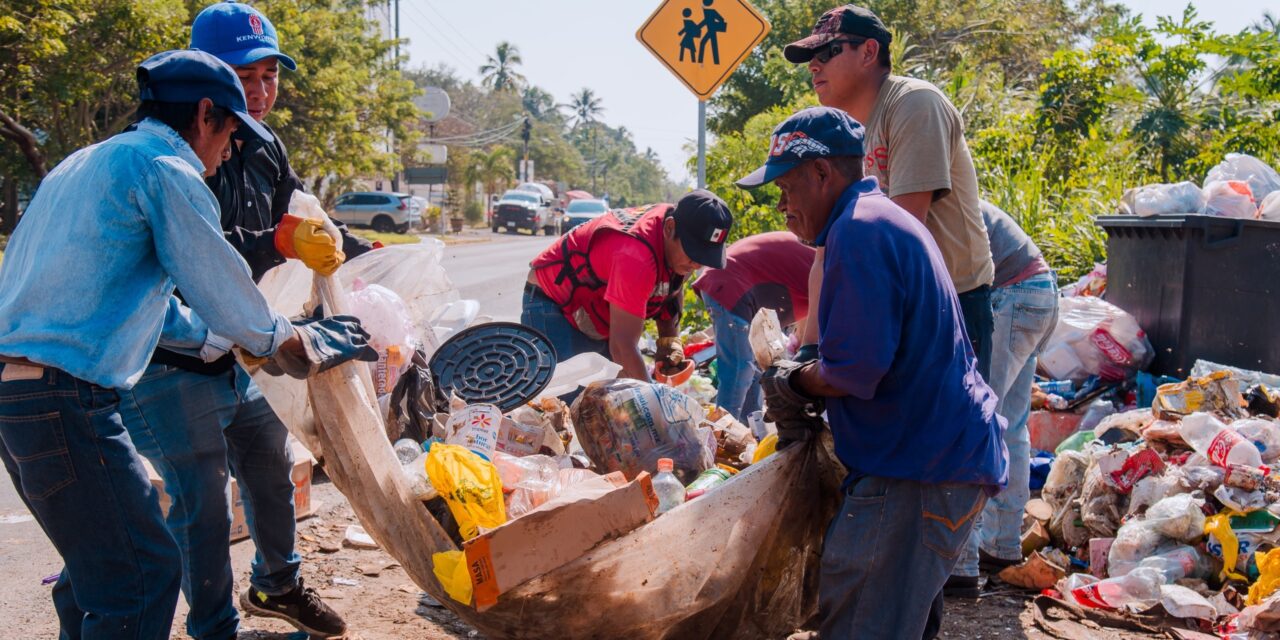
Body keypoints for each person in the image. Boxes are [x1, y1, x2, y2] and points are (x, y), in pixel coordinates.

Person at [0, 49, 375, 640]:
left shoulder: (85, 162)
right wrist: (290, 339)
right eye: (228, 134)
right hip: (66, 401)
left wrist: (216, 340)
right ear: (205, 114)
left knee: (99, 572)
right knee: (143, 575)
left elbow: (145, 305)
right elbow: (224, 290)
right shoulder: (166, 171)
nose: (228, 152)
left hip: (22, 395)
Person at [114, 3, 371, 638]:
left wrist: (345, 245)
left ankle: (277, 585)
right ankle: (212, 627)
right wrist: (277, 255)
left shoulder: (264, 147)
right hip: (168, 355)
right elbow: (198, 264)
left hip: (233, 350)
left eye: (268, 75)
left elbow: (288, 217)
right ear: (208, 86)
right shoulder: (180, 152)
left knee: (269, 465)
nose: (258, 93)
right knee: (200, 500)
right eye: (243, 77)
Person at [739, 106, 1006, 640]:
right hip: (935, 457)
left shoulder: (860, 233)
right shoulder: (872, 220)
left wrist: (792, 381)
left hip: (917, 469)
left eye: (789, 188)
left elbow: (855, 371)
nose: (783, 207)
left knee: (861, 620)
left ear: (823, 174)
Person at [783, 4, 997, 379]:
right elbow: (825, 253)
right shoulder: (845, 134)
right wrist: (808, 351)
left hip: (952, 303)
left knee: (949, 435)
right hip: (898, 301)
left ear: (869, 52)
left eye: (826, 53)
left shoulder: (914, 103)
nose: (814, 66)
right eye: (810, 58)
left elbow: (902, 234)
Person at [949, 201, 1059, 596]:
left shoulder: (918, 201)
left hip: (1011, 294)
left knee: (973, 420)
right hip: (1038, 290)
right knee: (1008, 426)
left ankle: (961, 562)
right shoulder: (934, 190)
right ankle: (1003, 546)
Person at [523, 190, 733, 381]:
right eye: (693, 253)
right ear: (670, 228)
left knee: (611, 402)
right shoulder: (636, 257)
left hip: (594, 312)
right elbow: (622, 347)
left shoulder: (679, 240)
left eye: (704, 256)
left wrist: (669, 341)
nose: (696, 264)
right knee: (567, 398)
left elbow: (671, 288)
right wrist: (654, 400)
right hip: (552, 305)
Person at [692, 231, 814, 421]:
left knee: (754, 374)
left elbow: (807, 332)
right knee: (740, 368)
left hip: (730, 283)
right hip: (730, 283)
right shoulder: (828, 269)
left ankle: (747, 435)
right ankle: (721, 438)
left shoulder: (819, 263)